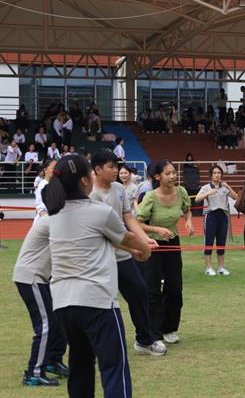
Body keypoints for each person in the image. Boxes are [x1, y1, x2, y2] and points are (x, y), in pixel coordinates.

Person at [44, 155, 151, 398]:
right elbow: (127, 238)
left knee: (80, 365)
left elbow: (101, 239)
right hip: (97, 301)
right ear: (85, 180)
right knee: (114, 366)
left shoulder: (54, 215)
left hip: (63, 302)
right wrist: (143, 250)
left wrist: (132, 249)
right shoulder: (100, 212)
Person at [90, 150, 166, 357]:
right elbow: (102, 233)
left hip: (122, 255)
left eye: (116, 166)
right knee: (102, 302)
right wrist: (134, 247)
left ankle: (144, 340)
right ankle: (95, 346)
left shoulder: (118, 189)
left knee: (139, 292)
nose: (116, 170)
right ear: (97, 170)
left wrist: (144, 239)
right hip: (101, 257)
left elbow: (128, 218)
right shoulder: (91, 194)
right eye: (111, 167)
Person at [136, 160, 194, 345]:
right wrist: (157, 229)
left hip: (172, 243)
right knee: (152, 289)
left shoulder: (181, 192)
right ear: (157, 177)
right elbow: (138, 223)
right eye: (168, 173)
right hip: (152, 245)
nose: (172, 176)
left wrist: (188, 221)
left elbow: (187, 210)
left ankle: (170, 328)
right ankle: (154, 332)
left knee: (175, 288)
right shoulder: (150, 197)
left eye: (174, 172)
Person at [13, 215, 68, 387]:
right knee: (45, 325)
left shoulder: (59, 219)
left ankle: (53, 360)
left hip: (41, 277)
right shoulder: (54, 221)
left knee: (59, 318)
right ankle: (33, 374)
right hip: (32, 277)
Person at [195, 164, 238, 276]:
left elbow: (236, 197)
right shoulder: (206, 187)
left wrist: (228, 187)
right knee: (209, 242)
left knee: (221, 242)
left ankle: (221, 268)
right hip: (211, 216)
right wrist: (208, 193)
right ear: (211, 175)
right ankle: (208, 268)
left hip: (223, 216)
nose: (217, 175)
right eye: (214, 173)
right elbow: (197, 199)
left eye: (219, 173)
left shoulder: (224, 187)